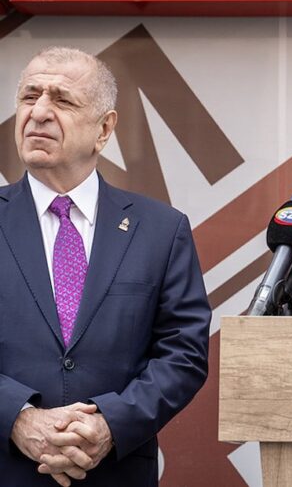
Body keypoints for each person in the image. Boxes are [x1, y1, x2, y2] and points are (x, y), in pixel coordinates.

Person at [0, 47, 211, 486]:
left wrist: (110, 424)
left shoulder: (161, 229)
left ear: (104, 129)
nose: (39, 112)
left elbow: (184, 353)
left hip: (116, 473)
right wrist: (16, 417)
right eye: (30, 96)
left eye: (62, 99)